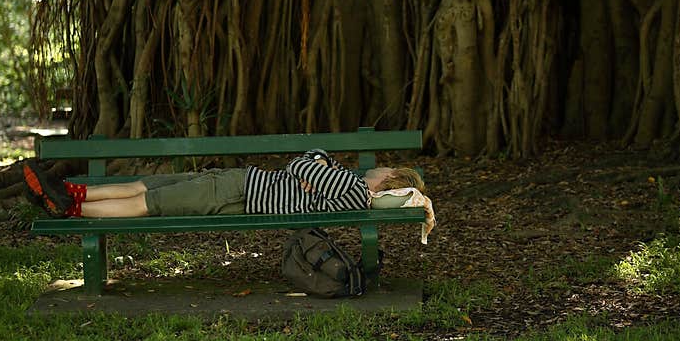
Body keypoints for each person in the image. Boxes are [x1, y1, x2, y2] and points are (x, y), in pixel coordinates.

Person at [22, 148, 426, 220]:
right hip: (239, 192)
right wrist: (313, 169)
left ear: (387, 180)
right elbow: (309, 163)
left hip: (239, 189)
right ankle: (71, 193)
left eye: (380, 171)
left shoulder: (354, 189)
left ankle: (73, 207)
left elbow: (302, 159)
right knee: (148, 187)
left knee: (152, 203)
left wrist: (313, 166)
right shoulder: (347, 189)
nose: (371, 170)